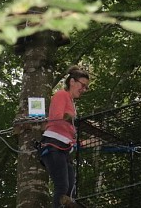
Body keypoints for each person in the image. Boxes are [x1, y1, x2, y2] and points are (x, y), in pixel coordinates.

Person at [40, 66, 90, 207]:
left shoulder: (72, 104)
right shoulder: (62, 95)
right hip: (53, 145)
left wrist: (86, 142)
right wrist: (75, 120)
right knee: (62, 187)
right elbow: (56, 117)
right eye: (83, 85)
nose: (84, 89)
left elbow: (70, 136)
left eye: (86, 87)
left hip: (64, 149)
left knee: (70, 190)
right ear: (72, 82)